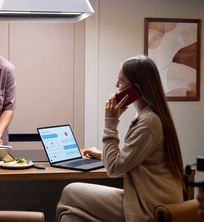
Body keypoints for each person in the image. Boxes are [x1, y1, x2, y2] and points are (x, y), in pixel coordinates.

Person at [56, 55, 184, 222]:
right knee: (70, 216)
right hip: (150, 199)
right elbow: (130, 158)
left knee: (70, 191)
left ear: (135, 89)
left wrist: (111, 122)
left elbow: (114, 169)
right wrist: (102, 155)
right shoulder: (151, 116)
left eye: (121, 81)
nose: (117, 85)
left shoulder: (149, 122)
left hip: (150, 206)